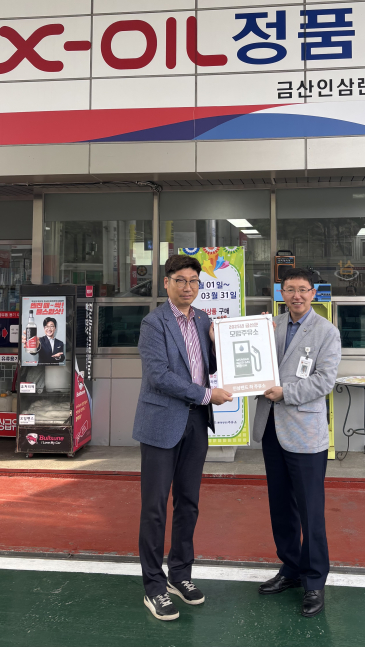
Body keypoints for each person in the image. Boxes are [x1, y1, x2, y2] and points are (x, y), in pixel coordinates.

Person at [133, 254, 233, 622]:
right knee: (155, 507)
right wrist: (207, 395)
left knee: (188, 502)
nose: (187, 287)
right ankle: (154, 586)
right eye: (180, 280)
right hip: (162, 422)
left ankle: (180, 573)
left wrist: (223, 343)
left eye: (193, 281)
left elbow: (209, 367)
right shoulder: (153, 323)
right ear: (166, 283)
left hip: (195, 422)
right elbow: (159, 376)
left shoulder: (203, 320)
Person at [253, 268, 341, 618]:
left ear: (313, 292)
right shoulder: (269, 325)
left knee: (310, 510)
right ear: (282, 293)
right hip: (271, 429)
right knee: (281, 507)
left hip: (305, 432)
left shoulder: (326, 331)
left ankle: (314, 581)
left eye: (303, 290)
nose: (296, 296)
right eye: (289, 290)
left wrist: (285, 393)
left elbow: (325, 380)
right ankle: (290, 568)